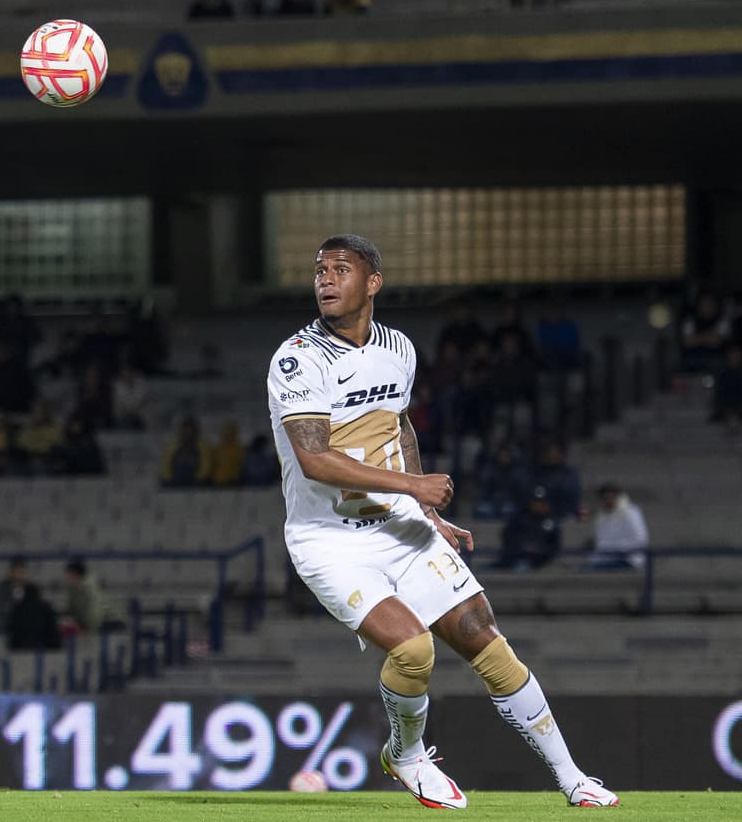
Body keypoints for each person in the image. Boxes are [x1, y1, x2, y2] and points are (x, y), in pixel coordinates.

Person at [266, 233, 617, 808]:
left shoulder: (397, 347)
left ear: (372, 282)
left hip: (400, 527)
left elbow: (397, 425)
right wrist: (414, 485)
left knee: (485, 638)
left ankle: (573, 778)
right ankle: (405, 755)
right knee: (413, 650)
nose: (325, 279)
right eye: (319, 270)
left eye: (340, 269)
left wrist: (425, 511)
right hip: (329, 541)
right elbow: (313, 459)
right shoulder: (298, 358)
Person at [494, 486, 561, 571]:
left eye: (541, 502)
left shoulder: (552, 522)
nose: (538, 505)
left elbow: (555, 547)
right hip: (517, 558)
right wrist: (523, 547)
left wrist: (539, 549)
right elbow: (508, 539)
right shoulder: (519, 519)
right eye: (535, 502)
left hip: (542, 562)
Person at [586, 483, 649, 571]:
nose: (608, 501)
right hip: (608, 558)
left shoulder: (630, 513)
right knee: (584, 568)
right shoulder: (602, 516)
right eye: (605, 498)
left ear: (618, 497)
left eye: (610, 498)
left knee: (588, 570)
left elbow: (639, 539)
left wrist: (608, 547)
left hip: (628, 560)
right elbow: (604, 540)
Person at [62, 558, 123, 635]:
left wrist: (86, 630)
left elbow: (94, 615)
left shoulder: (90, 589)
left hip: (110, 622)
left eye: (68, 576)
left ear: (75, 575)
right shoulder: (73, 589)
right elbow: (72, 610)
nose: (66, 579)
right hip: (94, 623)